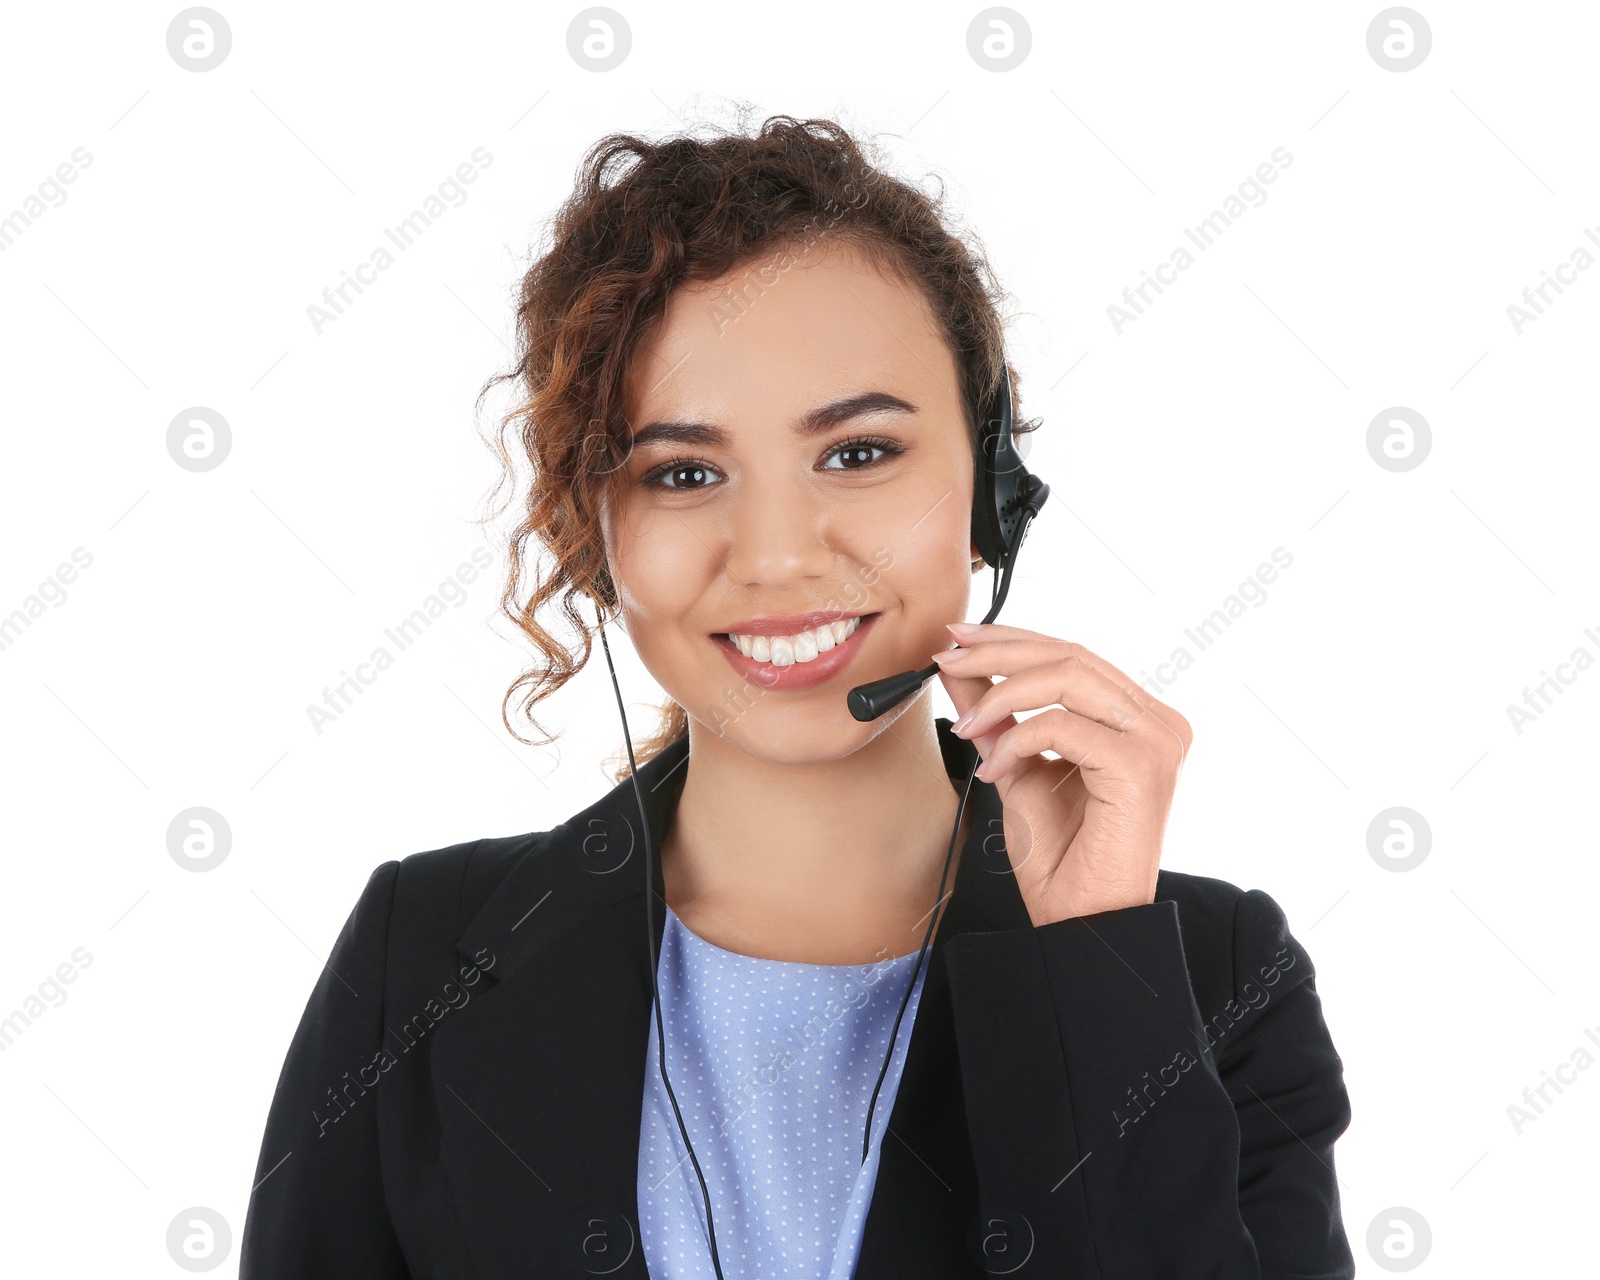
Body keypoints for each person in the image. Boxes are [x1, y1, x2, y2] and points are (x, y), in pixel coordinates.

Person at [240, 114, 1355, 1279]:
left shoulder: (1211, 972)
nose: (774, 555)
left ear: (994, 489)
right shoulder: (420, 955)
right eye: (681, 472)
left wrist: (1094, 965)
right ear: (593, 530)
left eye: (859, 452)